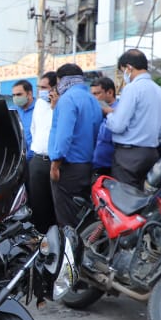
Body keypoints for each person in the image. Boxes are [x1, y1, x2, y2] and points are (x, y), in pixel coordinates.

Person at [104, 49, 161, 189]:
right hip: (151, 153)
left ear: (129, 67)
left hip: (129, 156)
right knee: (144, 201)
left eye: (122, 72)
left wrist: (109, 114)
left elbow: (117, 126)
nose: (124, 76)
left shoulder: (132, 89)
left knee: (124, 201)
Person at [47, 63, 101, 229]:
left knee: (67, 218)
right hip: (87, 165)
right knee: (84, 215)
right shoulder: (92, 99)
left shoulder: (67, 100)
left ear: (63, 80)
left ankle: (70, 252)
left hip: (68, 167)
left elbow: (64, 135)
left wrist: (55, 164)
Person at [27, 71, 57, 233]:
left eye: (44, 87)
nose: (41, 91)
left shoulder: (62, 105)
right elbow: (34, 129)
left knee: (55, 205)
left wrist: (55, 106)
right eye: (39, 87)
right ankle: (40, 238)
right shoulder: (39, 104)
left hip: (55, 161)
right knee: (38, 204)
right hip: (38, 160)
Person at [90, 77, 118, 178]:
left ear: (110, 92)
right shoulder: (97, 111)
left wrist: (111, 113)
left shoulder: (119, 112)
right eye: (92, 94)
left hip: (110, 167)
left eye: (97, 94)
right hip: (96, 165)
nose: (93, 98)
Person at [9, 79, 37, 158]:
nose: (15, 98)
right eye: (13, 95)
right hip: (18, 159)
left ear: (29, 94)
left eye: (19, 94)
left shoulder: (39, 109)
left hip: (35, 159)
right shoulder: (12, 110)